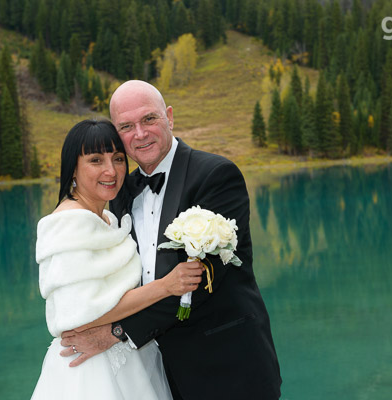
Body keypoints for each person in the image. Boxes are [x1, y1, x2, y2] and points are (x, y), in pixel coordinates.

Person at [61, 81, 282, 399]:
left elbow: (201, 284)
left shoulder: (216, 176)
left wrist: (117, 332)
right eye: (127, 126)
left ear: (169, 117)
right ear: (117, 135)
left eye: (149, 119)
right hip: (160, 374)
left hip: (229, 367)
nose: (140, 133)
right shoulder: (121, 191)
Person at [31, 119, 204, 399]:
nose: (111, 171)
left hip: (131, 356)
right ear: (72, 167)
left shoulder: (108, 218)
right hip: (90, 369)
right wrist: (167, 286)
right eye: (96, 160)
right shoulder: (68, 222)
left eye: (118, 159)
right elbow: (80, 315)